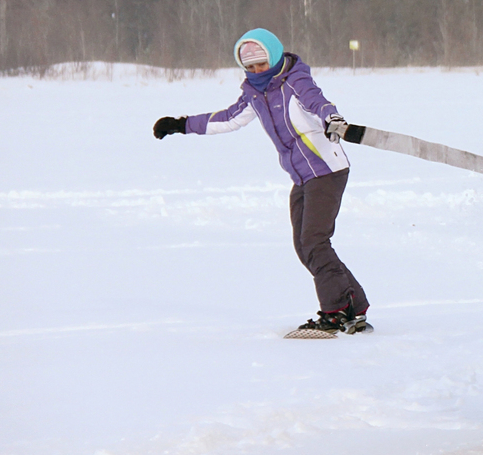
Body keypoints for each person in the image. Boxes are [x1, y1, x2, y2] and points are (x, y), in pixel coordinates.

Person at [152, 28, 371, 336]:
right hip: (301, 176)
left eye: (262, 64)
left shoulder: (295, 80)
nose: (257, 71)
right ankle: (354, 307)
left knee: (314, 242)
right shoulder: (254, 93)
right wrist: (182, 125)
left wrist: (333, 119)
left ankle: (335, 312)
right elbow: (229, 118)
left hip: (326, 170)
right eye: (251, 66)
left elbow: (317, 102)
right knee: (304, 244)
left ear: (276, 56)